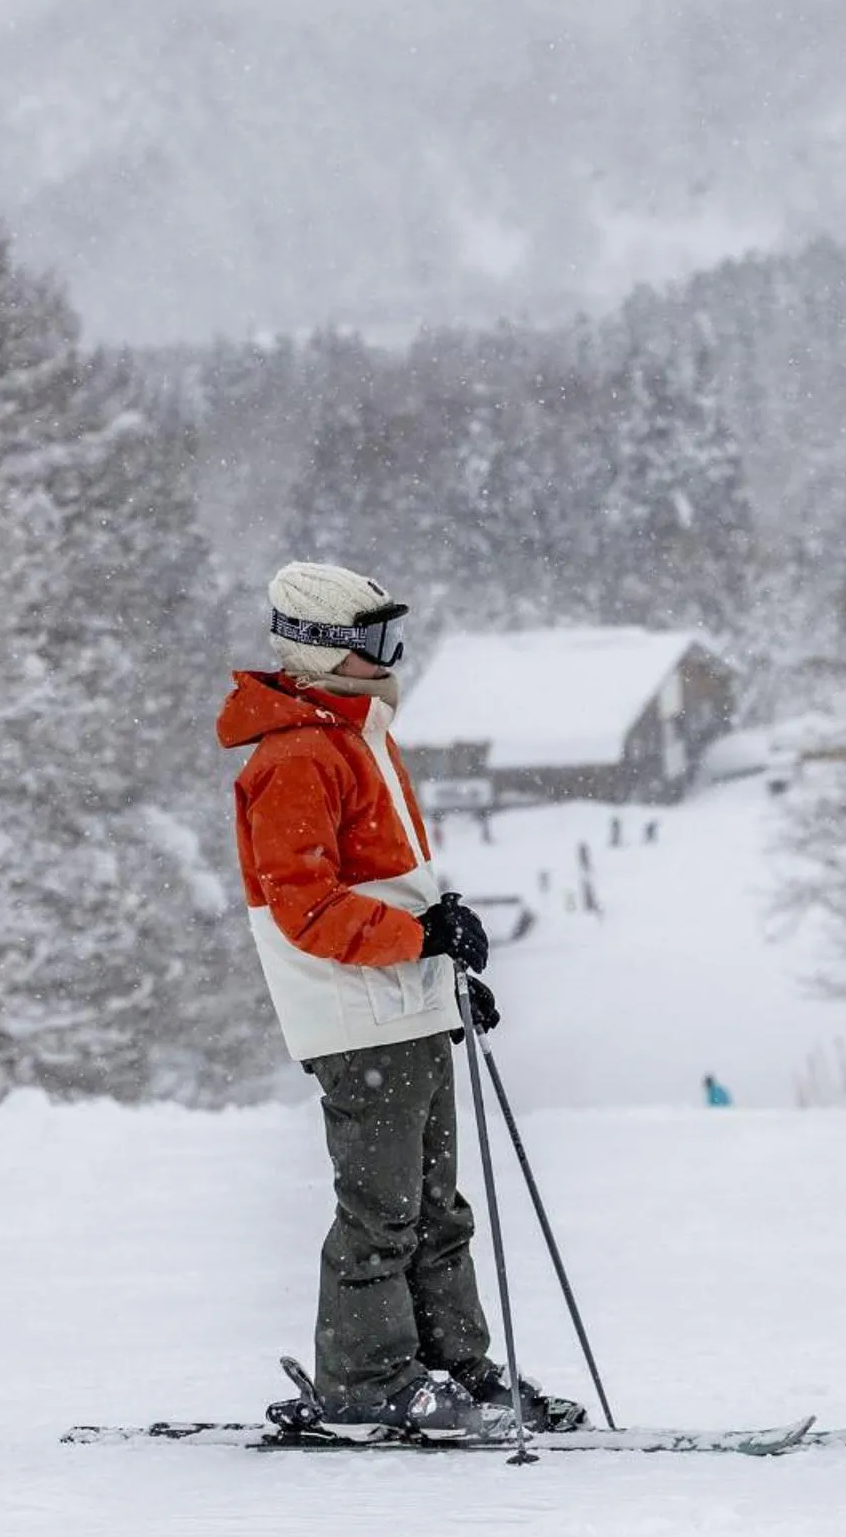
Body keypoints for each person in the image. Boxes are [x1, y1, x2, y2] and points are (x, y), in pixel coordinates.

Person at [218, 561, 585, 1438]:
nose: (394, 658)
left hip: (402, 1007)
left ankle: (451, 1367)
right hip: (351, 1016)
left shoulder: (360, 736)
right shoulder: (296, 756)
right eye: (375, 642)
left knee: (437, 1209)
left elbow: (397, 891)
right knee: (382, 1210)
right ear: (319, 652)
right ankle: (368, 1377)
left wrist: (445, 969)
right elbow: (308, 908)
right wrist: (422, 942)